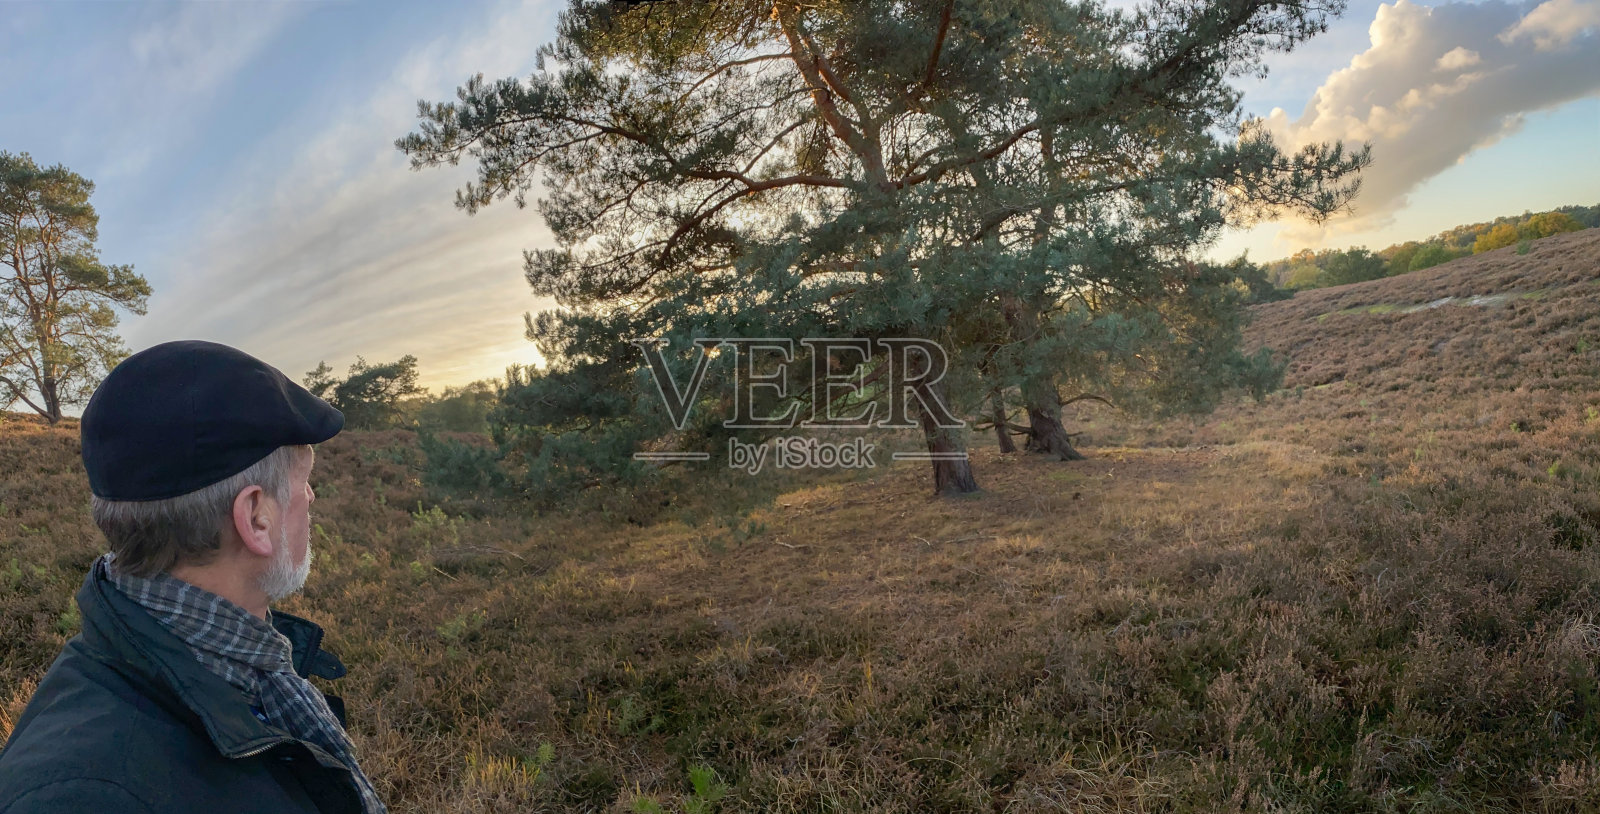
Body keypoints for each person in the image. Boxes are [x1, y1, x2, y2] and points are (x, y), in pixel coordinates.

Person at [0, 340, 385, 814]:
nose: (311, 497)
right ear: (256, 518)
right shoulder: (87, 797)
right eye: (303, 482)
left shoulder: (228, 664)